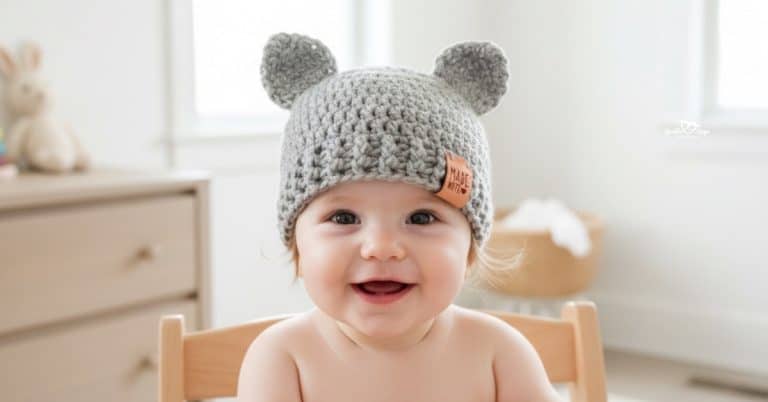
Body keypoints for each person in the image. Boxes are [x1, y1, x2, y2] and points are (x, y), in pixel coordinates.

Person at [236, 32, 563, 402]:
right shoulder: (283, 359)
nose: (381, 248)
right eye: (343, 218)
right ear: (298, 248)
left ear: (470, 249)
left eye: (422, 218)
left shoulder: (498, 354)